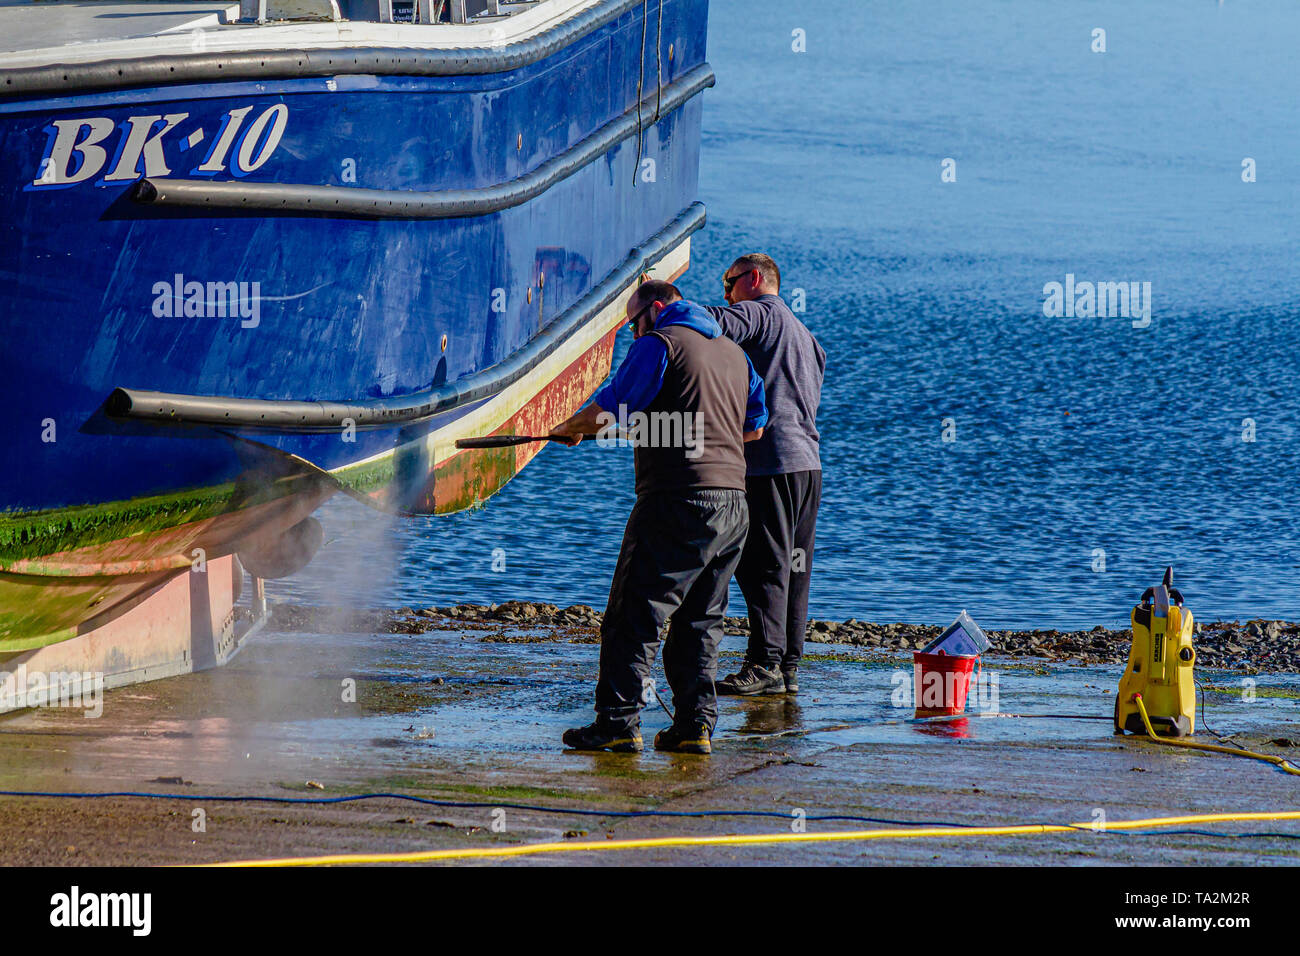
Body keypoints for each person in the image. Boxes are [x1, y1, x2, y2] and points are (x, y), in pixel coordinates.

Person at [550, 280, 767, 754]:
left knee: (634, 615)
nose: (632, 334)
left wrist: (570, 427)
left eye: (632, 323)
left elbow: (614, 406)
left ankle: (616, 724)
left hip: (677, 500)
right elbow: (755, 426)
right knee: (701, 620)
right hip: (733, 503)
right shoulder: (733, 353)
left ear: (658, 307)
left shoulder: (660, 343)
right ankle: (694, 727)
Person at [706, 254, 825, 696]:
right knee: (795, 567)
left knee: (763, 566)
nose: (726, 293)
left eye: (729, 282)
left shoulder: (761, 312)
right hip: (807, 464)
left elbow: (715, 321)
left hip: (769, 463)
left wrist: (663, 307)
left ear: (754, 279)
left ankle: (765, 663)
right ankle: (788, 665)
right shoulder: (807, 337)